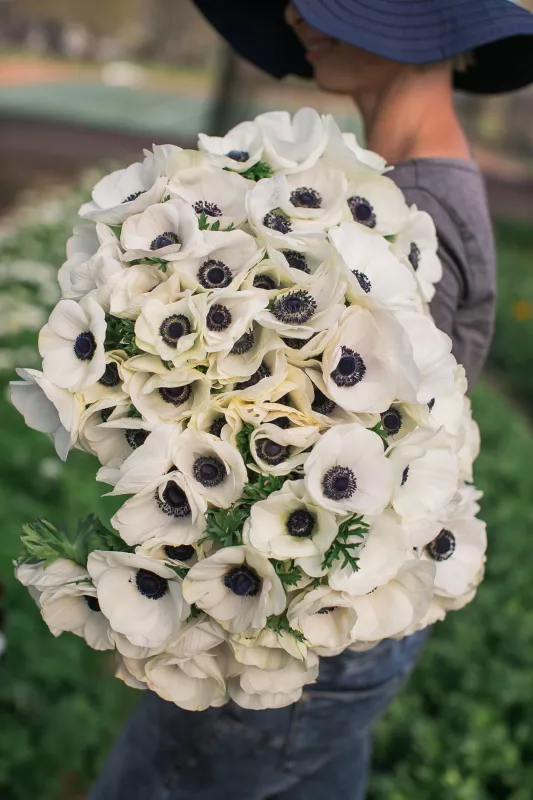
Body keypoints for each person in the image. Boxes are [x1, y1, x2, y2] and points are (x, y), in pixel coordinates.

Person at [89, 2, 533, 798]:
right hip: (333, 635)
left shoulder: (420, 208)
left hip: (294, 640)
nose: (294, 9)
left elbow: (338, 459)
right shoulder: (396, 179)